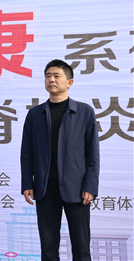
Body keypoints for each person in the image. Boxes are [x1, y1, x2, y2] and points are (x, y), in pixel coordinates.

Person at [20, 59, 99, 261]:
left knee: (81, 248)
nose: (51, 80)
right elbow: (26, 153)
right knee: (48, 248)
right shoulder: (35, 114)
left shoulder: (84, 112)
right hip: (45, 188)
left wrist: (90, 185)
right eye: (48, 76)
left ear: (69, 82)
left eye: (57, 76)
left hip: (77, 189)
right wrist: (27, 183)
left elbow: (92, 154)